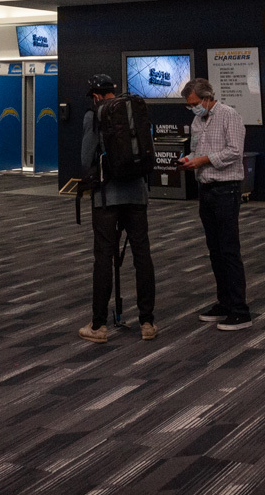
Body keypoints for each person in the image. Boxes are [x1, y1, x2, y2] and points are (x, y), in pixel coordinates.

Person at [78, 74, 155, 344]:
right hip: (137, 195)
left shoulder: (94, 115)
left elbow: (86, 157)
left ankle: (99, 325)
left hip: (106, 198)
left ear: (96, 96)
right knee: (142, 255)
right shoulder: (133, 110)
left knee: (103, 258)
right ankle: (147, 322)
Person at [179, 78, 250, 330]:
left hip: (226, 189)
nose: (193, 109)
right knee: (215, 249)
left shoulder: (229, 115)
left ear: (208, 98)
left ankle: (240, 309)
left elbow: (234, 151)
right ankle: (224, 302)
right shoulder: (198, 120)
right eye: (189, 105)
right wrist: (189, 160)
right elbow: (196, 150)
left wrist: (204, 160)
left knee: (229, 249)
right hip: (206, 188)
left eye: (195, 104)